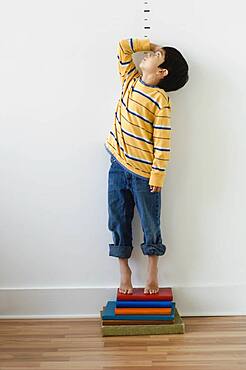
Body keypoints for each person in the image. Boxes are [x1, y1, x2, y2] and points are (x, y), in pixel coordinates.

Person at [104, 38, 189, 294]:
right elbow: (122, 47)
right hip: (117, 165)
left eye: (155, 56)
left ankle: (152, 270)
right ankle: (124, 271)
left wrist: (157, 175)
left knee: (151, 223)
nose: (148, 55)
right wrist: (151, 45)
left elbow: (163, 140)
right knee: (118, 219)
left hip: (144, 174)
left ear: (162, 72)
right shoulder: (129, 81)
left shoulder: (160, 100)